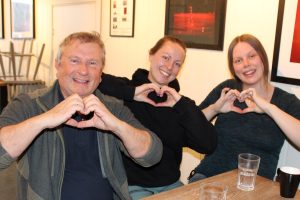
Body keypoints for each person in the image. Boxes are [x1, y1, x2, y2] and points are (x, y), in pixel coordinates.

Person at [0, 32, 163, 200]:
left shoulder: (112, 107)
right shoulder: (29, 104)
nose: (83, 71)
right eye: (74, 60)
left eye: (92, 63)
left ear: (101, 74)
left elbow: (152, 155)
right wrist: (45, 119)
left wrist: (117, 126)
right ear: (57, 65)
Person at [98, 35, 217, 199]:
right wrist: (132, 93)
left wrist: (182, 105)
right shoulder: (126, 90)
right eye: (165, 57)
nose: (169, 66)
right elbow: (95, 78)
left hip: (171, 185)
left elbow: (208, 144)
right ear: (151, 55)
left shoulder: (181, 105)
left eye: (177, 64)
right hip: (132, 186)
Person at [188, 34, 300, 183]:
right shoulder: (227, 89)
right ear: (233, 67)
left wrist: (268, 108)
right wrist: (215, 109)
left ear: (262, 58)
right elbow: (189, 126)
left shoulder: (285, 101)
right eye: (238, 60)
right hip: (209, 179)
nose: (246, 64)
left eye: (251, 56)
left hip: (253, 189)